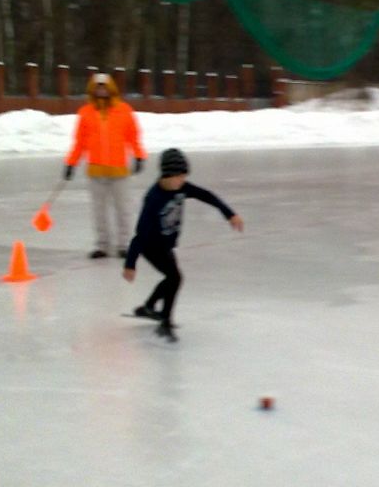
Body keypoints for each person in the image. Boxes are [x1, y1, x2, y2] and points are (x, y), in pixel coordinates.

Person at [123, 148, 244, 341]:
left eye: (184, 176)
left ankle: (149, 306)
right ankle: (165, 320)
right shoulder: (153, 199)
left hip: (165, 244)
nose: (182, 181)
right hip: (150, 246)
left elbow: (207, 195)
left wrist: (230, 214)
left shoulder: (181, 188)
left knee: (172, 278)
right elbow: (139, 236)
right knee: (175, 278)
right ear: (167, 175)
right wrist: (130, 264)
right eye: (178, 177)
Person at [64, 72, 147, 259]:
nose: (101, 90)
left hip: (119, 170)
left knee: (123, 209)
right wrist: (71, 163)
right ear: (92, 89)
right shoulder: (85, 112)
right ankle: (102, 245)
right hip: (96, 171)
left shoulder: (124, 110)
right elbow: (79, 142)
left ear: (111, 89)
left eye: (104, 87)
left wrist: (139, 156)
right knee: (98, 210)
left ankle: (124, 244)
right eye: (98, 87)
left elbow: (133, 137)